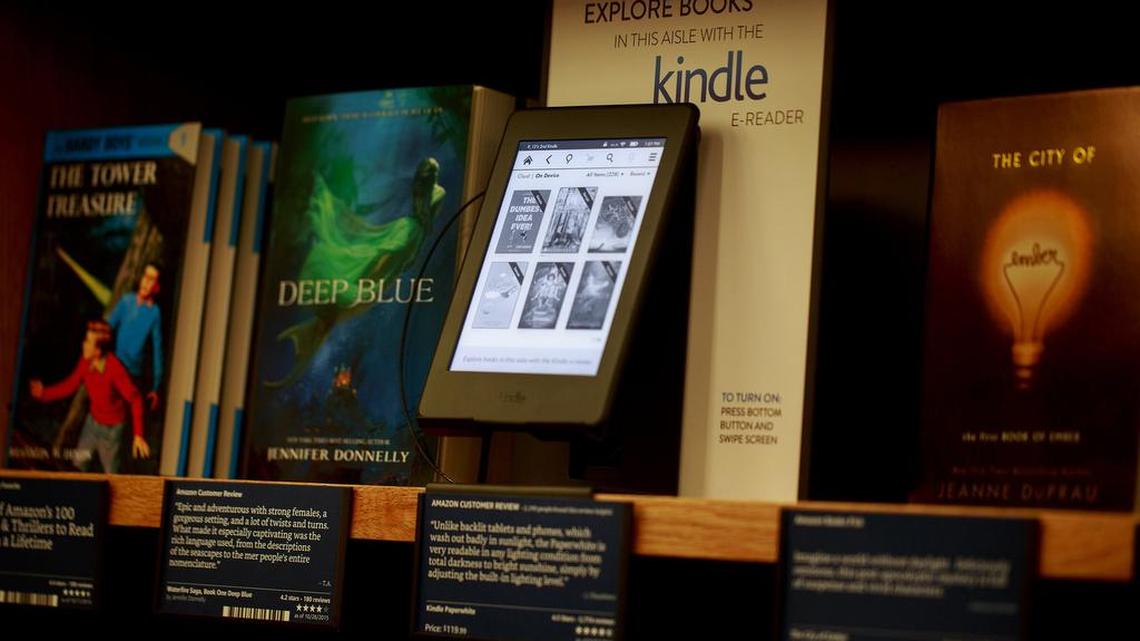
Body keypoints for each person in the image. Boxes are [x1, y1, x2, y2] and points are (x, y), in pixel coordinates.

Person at [29, 319, 149, 472]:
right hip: (91, 425)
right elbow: (70, 385)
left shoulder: (115, 369)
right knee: (77, 466)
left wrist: (138, 435)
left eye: (87, 342)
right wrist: (43, 394)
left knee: (111, 474)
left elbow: (135, 398)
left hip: (111, 433)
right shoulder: (86, 362)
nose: (83, 345)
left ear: (98, 351)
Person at [108, 263, 163, 410]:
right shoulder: (126, 301)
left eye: (152, 279)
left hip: (133, 375)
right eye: (145, 276)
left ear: (157, 286)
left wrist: (156, 387)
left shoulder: (154, 313)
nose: (146, 282)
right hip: (115, 367)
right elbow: (107, 328)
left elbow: (157, 351)